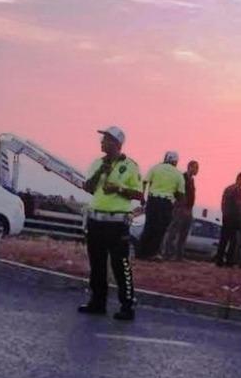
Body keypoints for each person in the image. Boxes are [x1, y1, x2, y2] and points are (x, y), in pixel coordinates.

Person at [79, 126, 143, 321]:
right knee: (96, 264)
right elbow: (88, 187)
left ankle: (127, 305)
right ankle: (97, 302)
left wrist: (119, 188)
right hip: (96, 221)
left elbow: (139, 194)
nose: (101, 142)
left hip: (117, 224)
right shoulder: (97, 163)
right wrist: (101, 171)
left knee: (120, 265)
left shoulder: (130, 166)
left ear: (116, 144)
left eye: (105, 139)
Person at [138, 151, 185, 259]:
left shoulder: (155, 168)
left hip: (153, 200)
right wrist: (177, 205)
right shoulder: (178, 174)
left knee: (149, 226)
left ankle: (141, 253)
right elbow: (181, 195)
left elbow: (145, 181)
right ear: (175, 162)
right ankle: (153, 253)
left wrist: (142, 197)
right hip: (166, 203)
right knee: (160, 229)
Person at [161, 160, 199, 261]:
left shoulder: (192, 180)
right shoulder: (182, 177)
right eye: (195, 167)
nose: (197, 170)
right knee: (173, 231)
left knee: (184, 233)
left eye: (197, 168)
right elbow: (176, 191)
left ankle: (179, 256)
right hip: (180, 208)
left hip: (189, 209)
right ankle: (166, 254)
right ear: (189, 167)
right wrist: (181, 205)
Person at [215, 172, 241, 267]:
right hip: (233, 218)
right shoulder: (236, 190)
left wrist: (225, 214)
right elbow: (239, 206)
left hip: (226, 217)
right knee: (233, 241)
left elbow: (223, 203)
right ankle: (229, 261)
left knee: (224, 240)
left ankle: (219, 260)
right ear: (240, 179)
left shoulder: (228, 188)